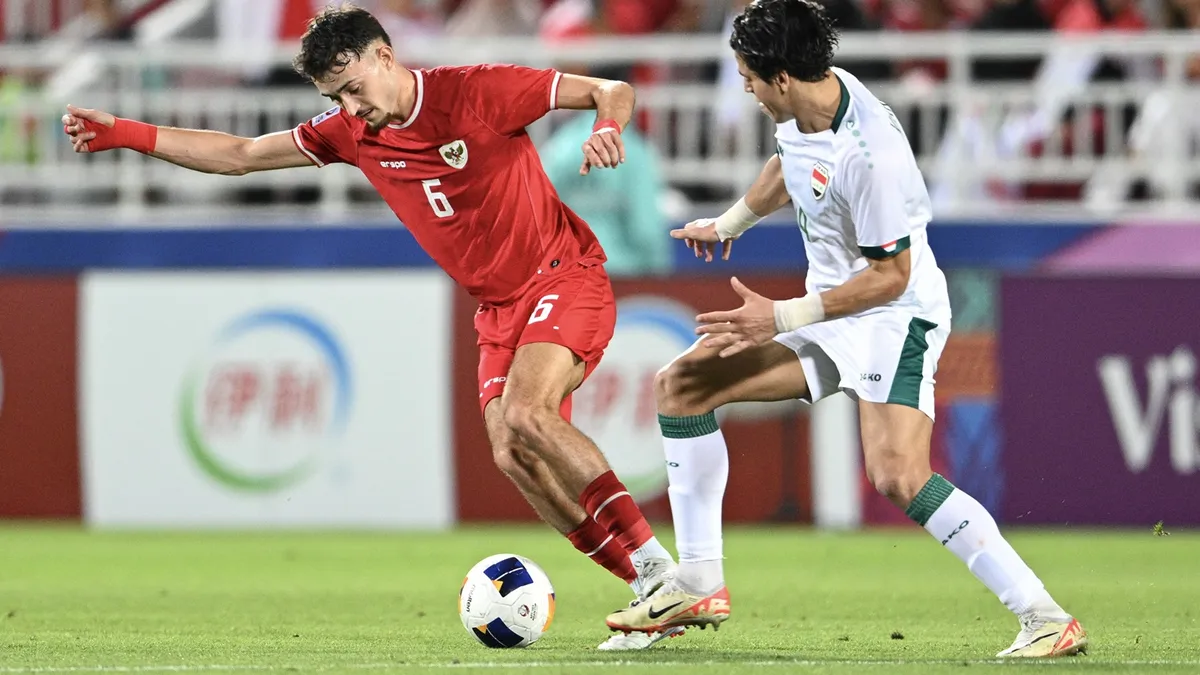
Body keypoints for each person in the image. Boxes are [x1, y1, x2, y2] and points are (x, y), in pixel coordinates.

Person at [62, 4, 679, 651]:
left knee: (527, 413)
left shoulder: (475, 91)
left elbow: (611, 88)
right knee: (513, 452)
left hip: (562, 274)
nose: (350, 108)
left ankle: (660, 568)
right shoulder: (353, 133)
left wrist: (607, 125)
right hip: (499, 308)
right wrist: (128, 134)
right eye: (336, 97)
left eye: (353, 89)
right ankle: (647, 586)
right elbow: (242, 154)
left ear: (385, 57)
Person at [604, 0, 1088, 659]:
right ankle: (697, 579)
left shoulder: (871, 155)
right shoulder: (809, 101)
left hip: (895, 315)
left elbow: (891, 276)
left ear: (780, 76)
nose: (741, 84)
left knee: (898, 475)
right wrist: (730, 223)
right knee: (683, 385)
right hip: (831, 308)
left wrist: (778, 317)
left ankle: (1043, 614)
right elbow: (791, 165)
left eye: (747, 73)